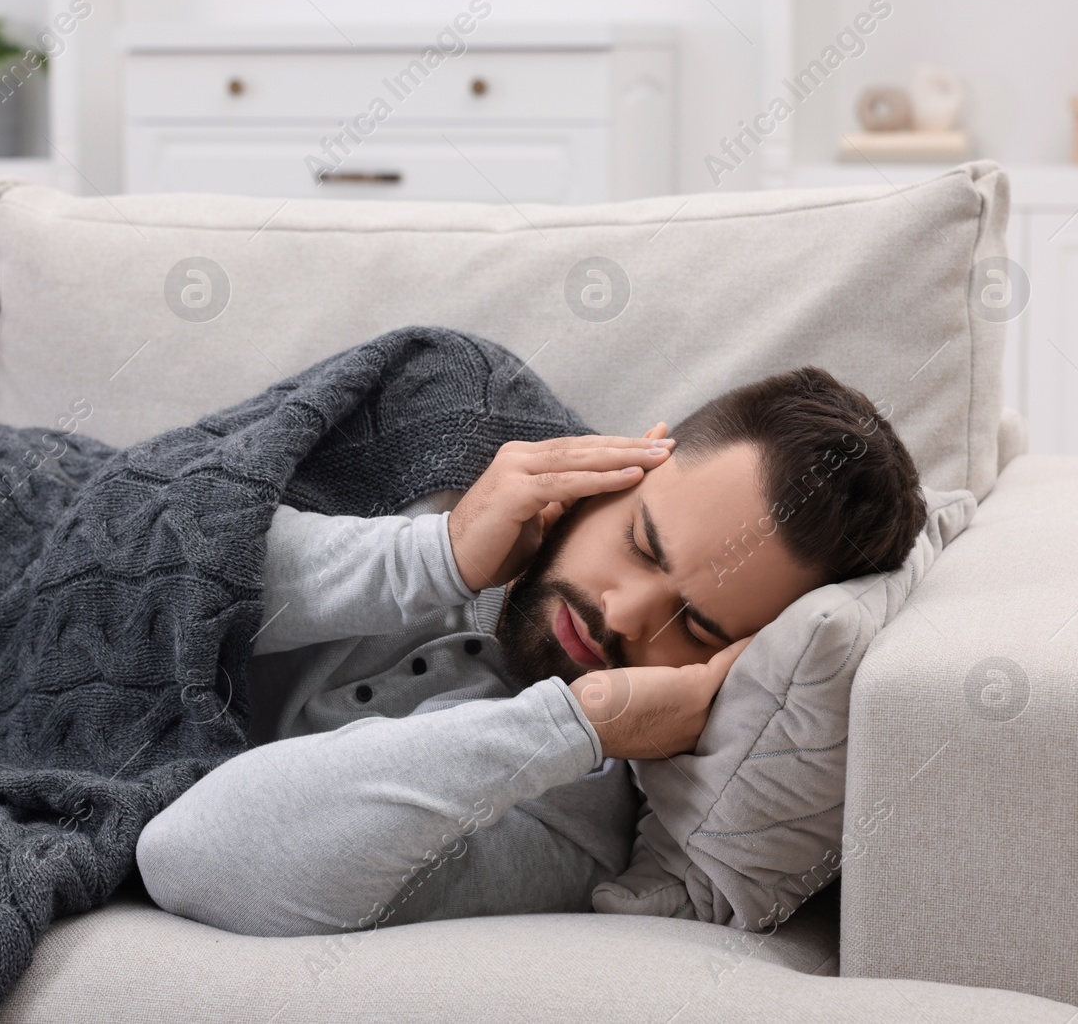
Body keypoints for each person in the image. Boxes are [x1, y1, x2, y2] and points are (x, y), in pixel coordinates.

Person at [134, 365, 927, 938]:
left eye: (698, 628)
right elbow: (145, 568)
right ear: (630, 462)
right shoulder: (460, 443)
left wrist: (570, 723)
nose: (621, 615)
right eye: (642, 545)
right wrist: (438, 553)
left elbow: (193, 856)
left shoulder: (567, 804)